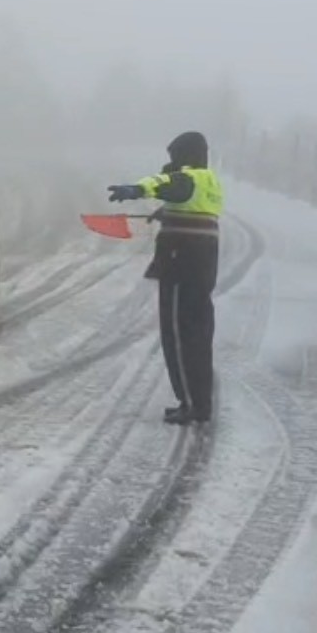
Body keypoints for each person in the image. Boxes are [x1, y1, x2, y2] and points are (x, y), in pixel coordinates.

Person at [107, 131, 224, 425]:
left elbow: (166, 184)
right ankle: (200, 401)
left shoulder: (186, 179)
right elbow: (192, 207)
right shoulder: (208, 179)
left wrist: (136, 189)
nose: (170, 163)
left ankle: (191, 404)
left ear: (185, 156)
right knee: (198, 333)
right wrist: (166, 212)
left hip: (181, 260)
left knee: (178, 332)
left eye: (174, 157)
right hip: (202, 259)